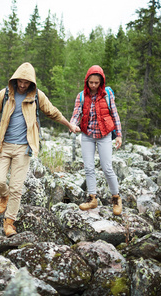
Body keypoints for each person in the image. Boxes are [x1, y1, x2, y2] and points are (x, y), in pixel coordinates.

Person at [0, 62, 80, 237]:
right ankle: (4, 195)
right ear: (15, 79)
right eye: (20, 81)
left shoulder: (36, 96)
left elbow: (53, 112)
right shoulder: (4, 94)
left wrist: (69, 125)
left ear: (32, 83)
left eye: (26, 83)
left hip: (23, 148)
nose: (22, 85)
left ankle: (9, 222)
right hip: (3, 146)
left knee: (16, 187)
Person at [70, 65, 123, 215]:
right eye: (91, 82)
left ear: (101, 82)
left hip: (104, 135)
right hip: (87, 135)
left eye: (96, 83)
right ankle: (92, 199)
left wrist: (118, 135)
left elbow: (115, 115)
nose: (93, 85)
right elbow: (76, 114)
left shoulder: (107, 95)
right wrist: (72, 124)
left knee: (107, 167)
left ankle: (116, 198)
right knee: (88, 167)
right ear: (86, 81)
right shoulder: (81, 96)